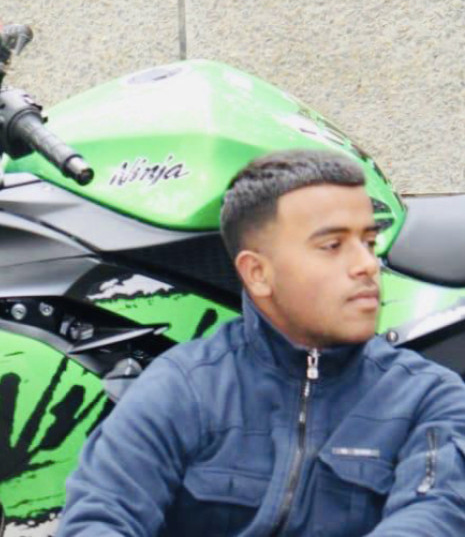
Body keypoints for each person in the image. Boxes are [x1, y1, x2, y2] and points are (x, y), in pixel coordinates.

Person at [57, 149, 465, 536]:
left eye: (369, 243)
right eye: (332, 246)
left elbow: (436, 517)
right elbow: (98, 516)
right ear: (257, 273)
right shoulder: (182, 388)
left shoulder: (429, 398)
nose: (366, 265)